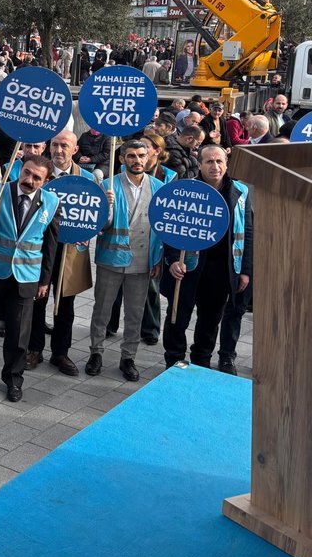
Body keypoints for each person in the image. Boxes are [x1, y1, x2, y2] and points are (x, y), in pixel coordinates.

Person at [0, 155, 59, 402]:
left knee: (18, 335)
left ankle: (14, 379)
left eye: (37, 177)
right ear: (20, 170)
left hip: (25, 278)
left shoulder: (52, 202)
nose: (29, 180)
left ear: (45, 181)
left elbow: (51, 245)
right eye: (27, 173)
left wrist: (45, 280)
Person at [161, 145, 252, 369]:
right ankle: (174, 359)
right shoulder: (185, 190)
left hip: (221, 268)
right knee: (177, 316)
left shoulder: (240, 191)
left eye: (219, 161)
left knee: (210, 319)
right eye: (209, 161)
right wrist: (173, 259)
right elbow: (169, 227)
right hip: (188, 265)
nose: (215, 166)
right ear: (199, 164)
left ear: (227, 164)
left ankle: (201, 360)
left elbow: (248, 231)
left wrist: (245, 271)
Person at [87, 140, 163, 382]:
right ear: (122, 159)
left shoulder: (159, 188)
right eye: (131, 156)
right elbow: (100, 226)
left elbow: (160, 229)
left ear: (148, 157)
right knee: (102, 310)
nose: (137, 160)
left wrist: (157, 259)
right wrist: (106, 207)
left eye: (141, 155)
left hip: (141, 261)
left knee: (135, 313)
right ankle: (96, 352)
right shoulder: (108, 185)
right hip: (110, 258)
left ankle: (128, 357)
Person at [26, 131, 96, 376]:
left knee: (66, 304)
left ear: (75, 149)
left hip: (71, 252)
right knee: (37, 300)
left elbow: (95, 215)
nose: (59, 150)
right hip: (41, 249)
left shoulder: (87, 179)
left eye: (64, 145)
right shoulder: (41, 175)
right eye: (55, 145)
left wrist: (92, 226)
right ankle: (34, 348)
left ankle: (61, 352)